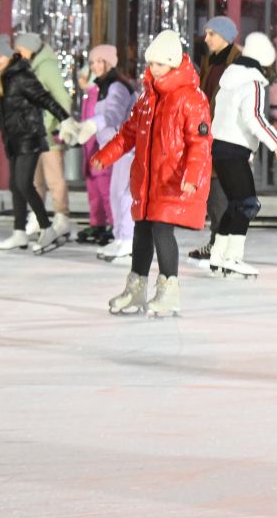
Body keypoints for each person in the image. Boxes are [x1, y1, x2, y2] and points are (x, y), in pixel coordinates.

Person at [90, 31, 213, 318]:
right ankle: (136, 287)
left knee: (161, 230)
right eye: (151, 63)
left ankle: (169, 290)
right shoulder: (148, 97)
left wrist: (192, 176)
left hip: (172, 179)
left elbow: (200, 142)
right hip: (147, 179)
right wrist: (104, 155)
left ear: (172, 63)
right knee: (142, 231)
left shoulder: (190, 99)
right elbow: (128, 133)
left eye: (159, 64)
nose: (153, 69)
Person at [0, 35, 74, 253]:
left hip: (29, 136)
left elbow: (45, 98)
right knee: (16, 186)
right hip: (13, 138)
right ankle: (19, 233)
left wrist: (64, 118)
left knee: (23, 184)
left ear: (10, 55)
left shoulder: (20, 75)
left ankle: (47, 228)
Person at [208, 31, 277, 277]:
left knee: (236, 203)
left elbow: (224, 117)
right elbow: (254, 117)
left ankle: (218, 255)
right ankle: (232, 258)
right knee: (247, 203)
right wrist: (275, 142)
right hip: (233, 150)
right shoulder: (252, 82)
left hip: (221, 148)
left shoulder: (229, 78)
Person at [72, 46, 137, 255]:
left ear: (110, 63)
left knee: (124, 194)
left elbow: (114, 115)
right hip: (114, 149)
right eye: (93, 63)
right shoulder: (103, 87)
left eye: (100, 61)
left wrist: (92, 125)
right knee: (115, 193)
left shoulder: (117, 86)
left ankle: (128, 239)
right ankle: (120, 237)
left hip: (127, 147)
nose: (95, 66)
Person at [17, 32, 76, 247]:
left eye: (21, 49)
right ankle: (38, 216)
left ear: (30, 48)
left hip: (49, 130)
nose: (18, 53)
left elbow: (61, 96)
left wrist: (60, 123)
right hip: (34, 131)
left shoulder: (47, 67)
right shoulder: (31, 66)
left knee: (54, 177)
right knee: (35, 178)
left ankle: (62, 218)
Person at [190, 17, 241, 262]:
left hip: (226, 137)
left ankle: (222, 244)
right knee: (213, 193)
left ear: (225, 37)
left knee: (220, 192)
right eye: (206, 33)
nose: (206, 38)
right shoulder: (211, 62)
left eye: (211, 34)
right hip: (209, 135)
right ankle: (217, 241)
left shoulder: (237, 65)